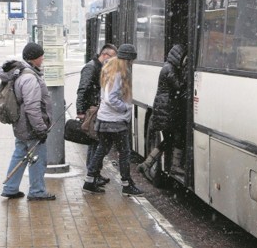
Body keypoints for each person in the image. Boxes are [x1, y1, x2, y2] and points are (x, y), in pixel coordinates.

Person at [83, 44, 143, 196]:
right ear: (127, 60)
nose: (132, 64)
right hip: (114, 121)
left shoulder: (109, 69)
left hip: (105, 119)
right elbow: (111, 98)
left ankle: (89, 181)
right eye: (131, 61)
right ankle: (126, 184)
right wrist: (125, 108)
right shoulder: (118, 73)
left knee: (101, 150)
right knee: (124, 153)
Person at [0, 42, 55, 201]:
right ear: (34, 58)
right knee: (37, 158)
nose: (43, 58)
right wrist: (40, 129)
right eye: (41, 56)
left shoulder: (20, 73)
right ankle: (37, 191)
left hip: (20, 124)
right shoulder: (29, 77)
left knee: (19, 155)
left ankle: (10, 188)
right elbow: (32, 107)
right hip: (31, 126)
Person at [138, 44, 188, 181]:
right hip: (166, 113)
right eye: (184, 59)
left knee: (168, 140)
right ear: (179, 57)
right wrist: (187, 73)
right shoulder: (169, 69)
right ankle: (174, 166)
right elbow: (179, 86)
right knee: (177, 138)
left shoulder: (167, 67)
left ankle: (147, 164)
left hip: (164, 112)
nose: (185, 62)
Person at [76, 43, 117, 185]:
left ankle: (95, 174)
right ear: (105, 55)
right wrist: (80, 112)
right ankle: (92, 175)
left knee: (96, 142)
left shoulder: (100, 67)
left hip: (96, 110)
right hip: (91, 111)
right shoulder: (91, 67)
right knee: (95, 142)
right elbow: (82, 89)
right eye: (112, 57)